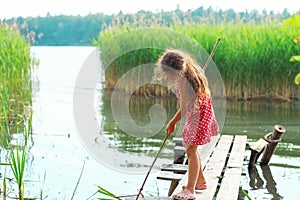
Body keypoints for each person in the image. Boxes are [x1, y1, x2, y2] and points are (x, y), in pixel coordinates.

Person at [157, 49, 219, 200]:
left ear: (175, 71)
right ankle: (200, 181)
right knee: (191, 147)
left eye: (167, 73)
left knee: (191, 150)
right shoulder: (189, 73)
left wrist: (172, 123)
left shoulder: (184, 82)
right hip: (197, 114)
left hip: (198, 116)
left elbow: (184, 108)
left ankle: (190, 190)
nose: (165, 76)